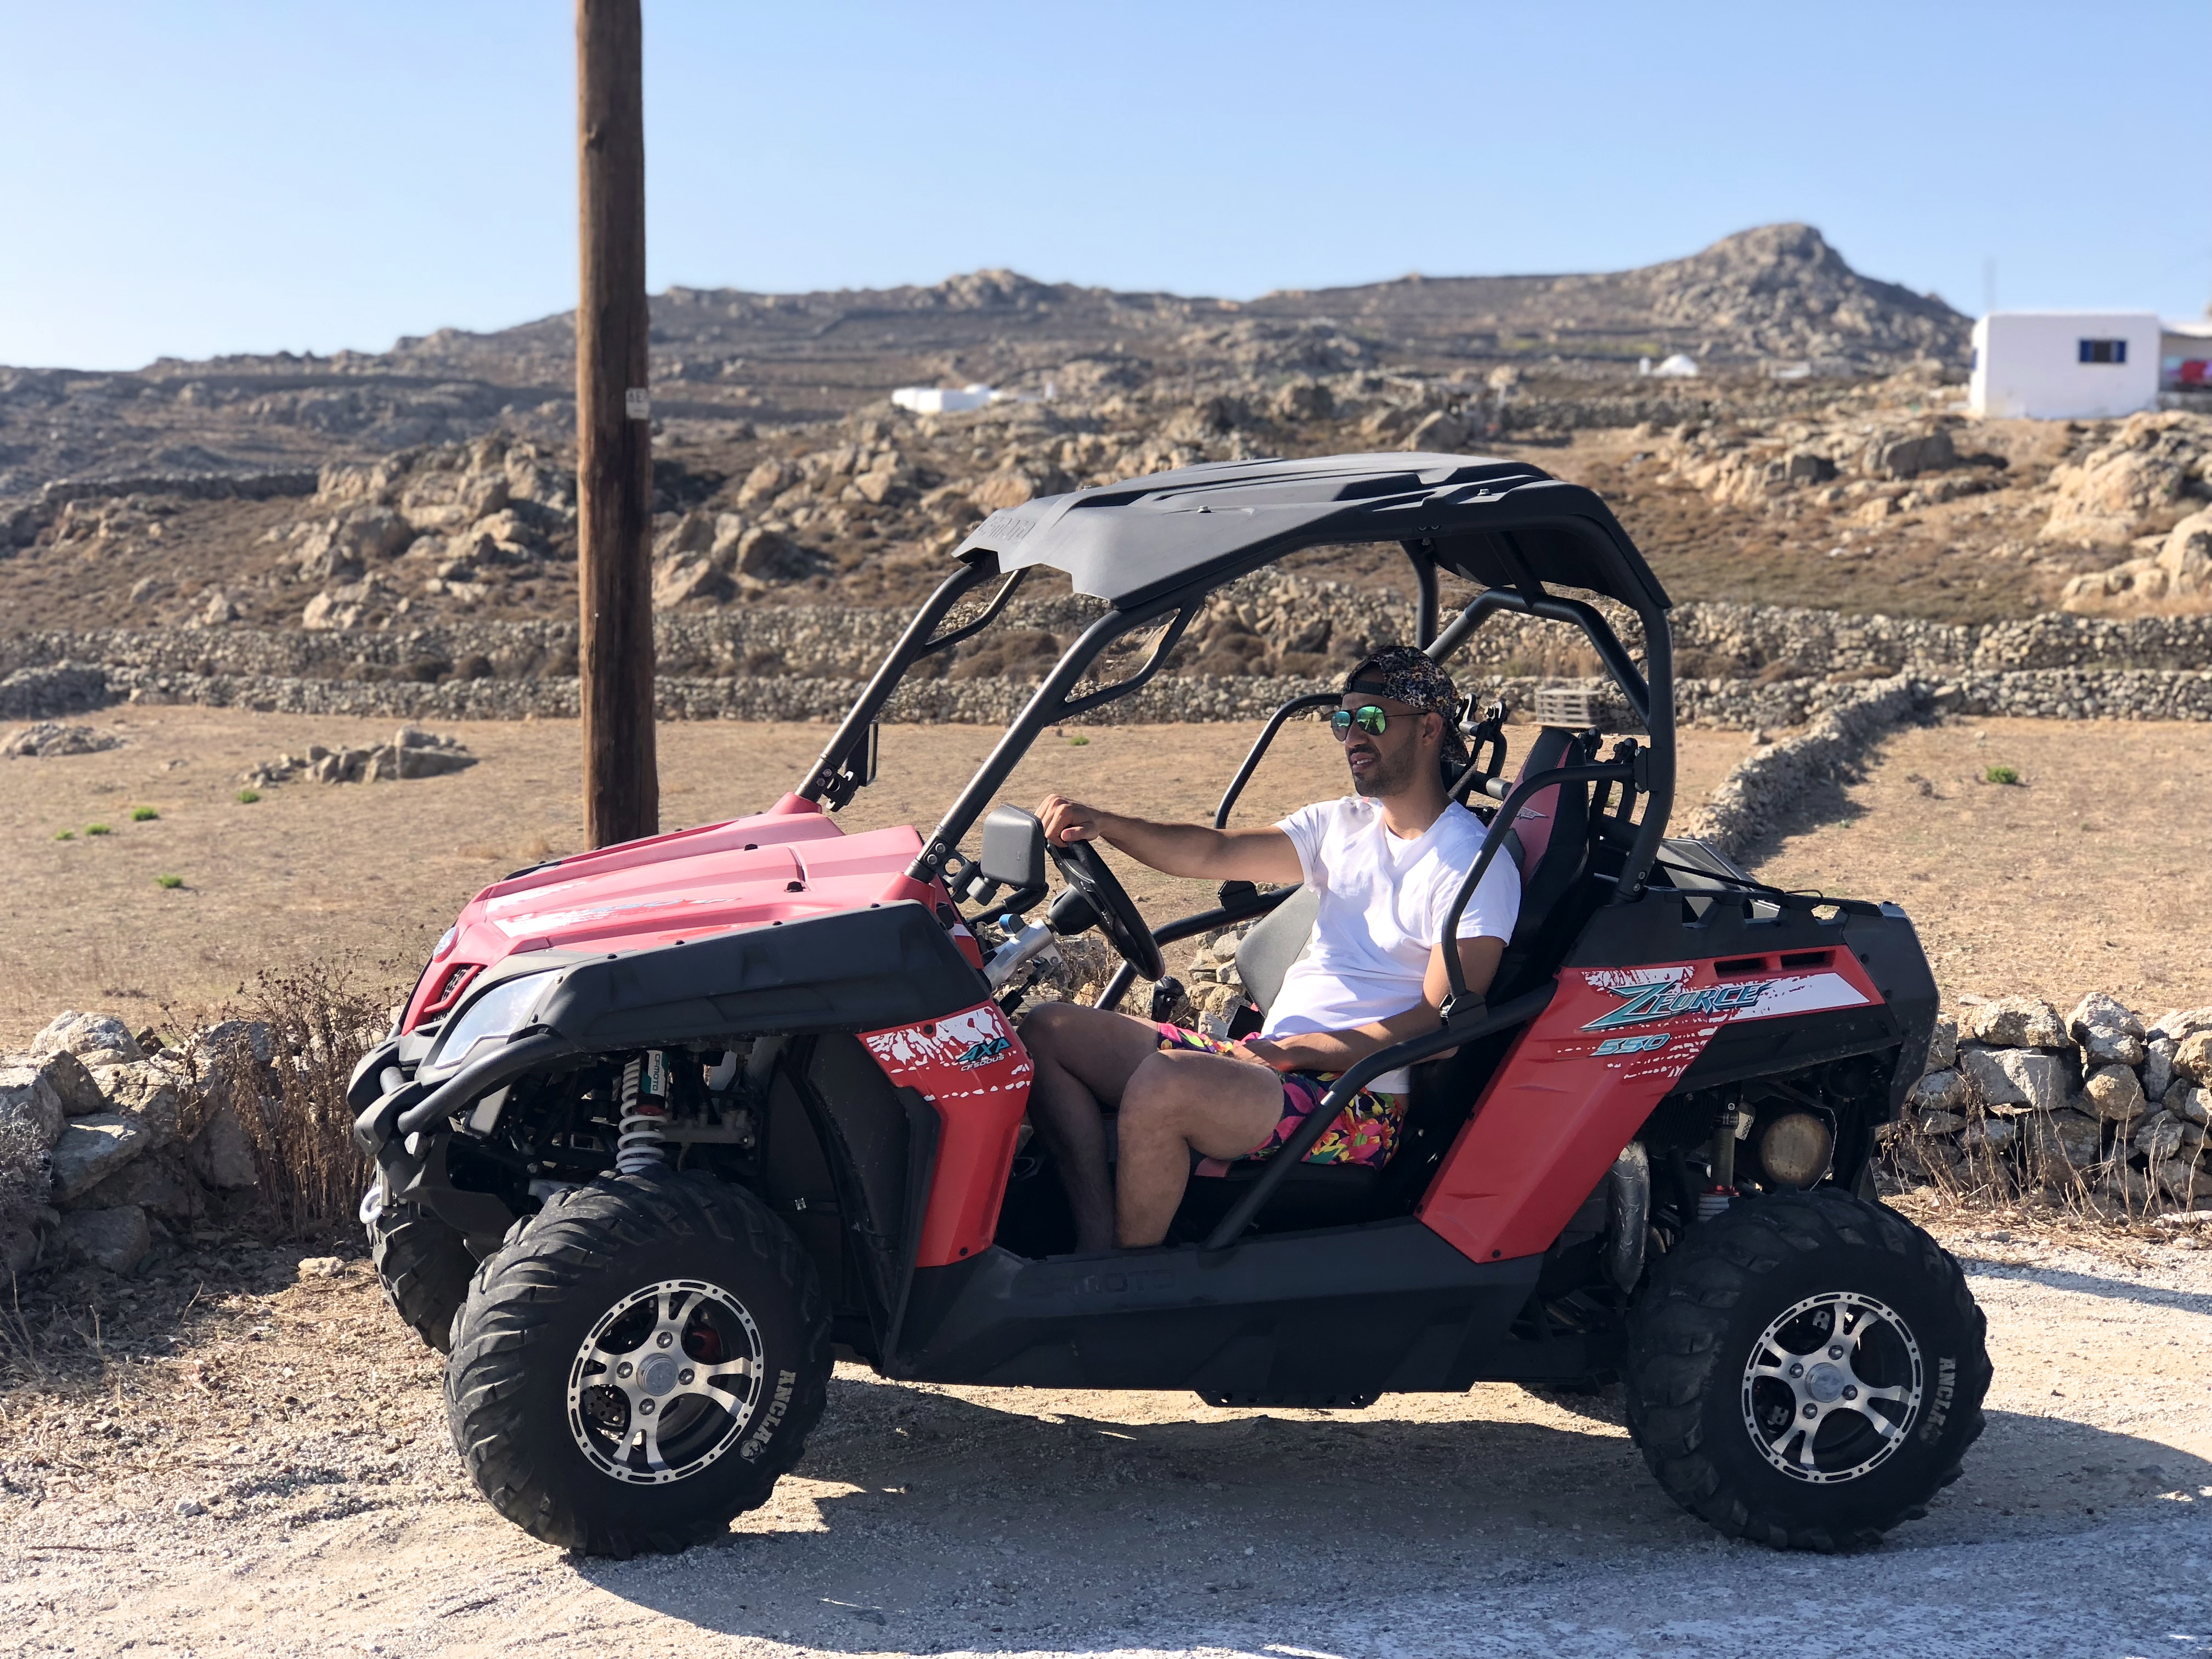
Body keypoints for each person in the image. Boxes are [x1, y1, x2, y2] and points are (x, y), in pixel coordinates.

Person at [1019, 645, 1521, 1251]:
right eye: (1344, 722)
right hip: (1270, 1066)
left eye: (1371, 720)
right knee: (1047, 1031)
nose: (1352, 738)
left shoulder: (1470, 864)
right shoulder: (1345, 824)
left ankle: (1128, 1286)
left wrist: (1296, 1052)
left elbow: (1438, 1027)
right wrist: (1109, 824)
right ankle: (1096, 1250)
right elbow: (1213, 853)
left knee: (1164, 1085)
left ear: (1430, 729)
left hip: (1355, 1101)